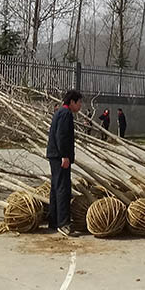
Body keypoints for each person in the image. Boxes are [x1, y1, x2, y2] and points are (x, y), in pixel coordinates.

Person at [46, 90, 82, 237]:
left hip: (54, 155)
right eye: (79, 102)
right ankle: (63, 224)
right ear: (72, 102)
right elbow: (61, 135)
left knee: (56, 187)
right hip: (60, 156)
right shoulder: (66, 114)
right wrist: (64, 156)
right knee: (63, 189)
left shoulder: (60, 112)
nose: (80, 106)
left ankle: (53, 221)